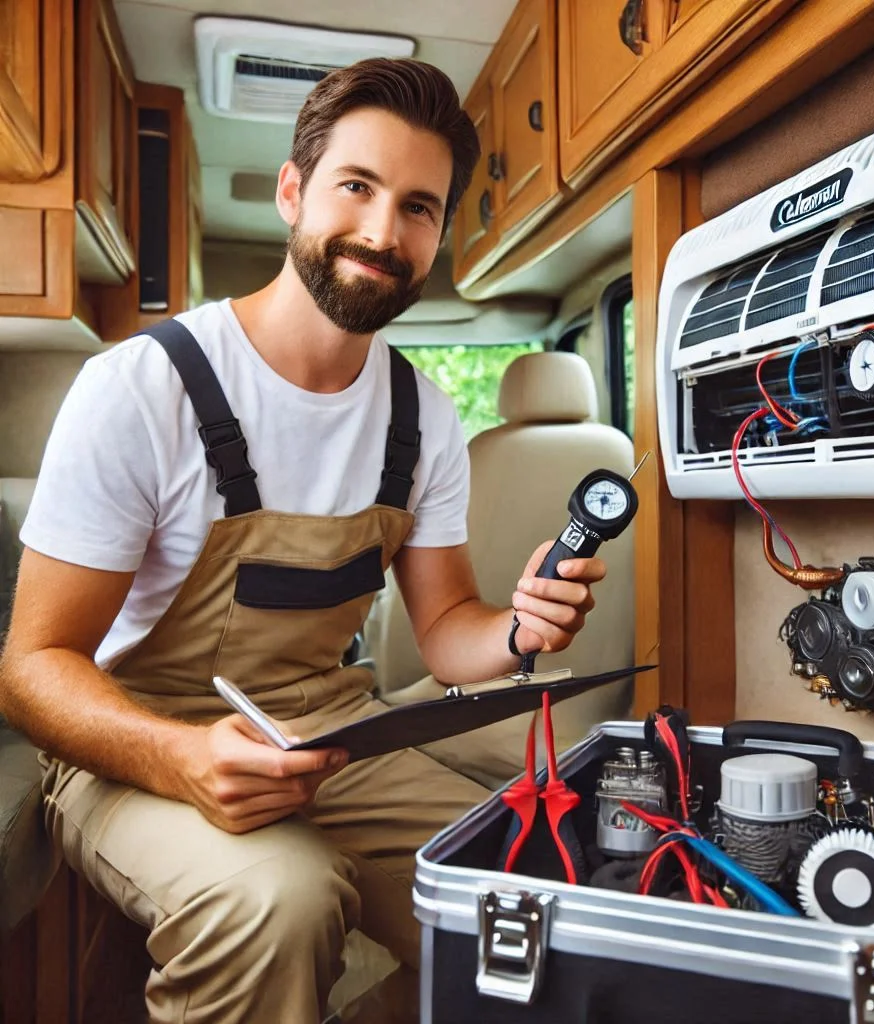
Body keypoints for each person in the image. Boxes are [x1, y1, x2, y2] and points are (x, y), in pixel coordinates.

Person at [0, 59, 607, 1023]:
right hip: (135, 739)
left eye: (417, 206)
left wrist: (522, 628)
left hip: (331, 732)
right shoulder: (141, 390)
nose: (382, 232)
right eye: (356, 187)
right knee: (277, 899)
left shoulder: (426, 420)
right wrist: (181, 757)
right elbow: (34, 668)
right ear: (294, 191)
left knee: (534, 889)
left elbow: (448, 628)